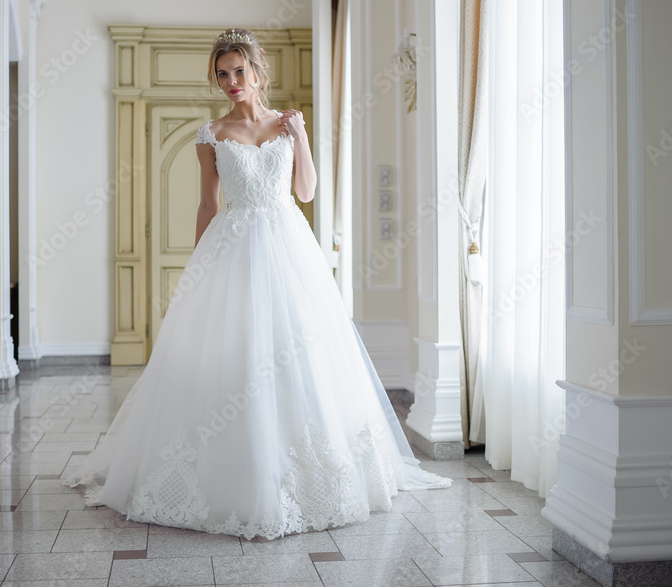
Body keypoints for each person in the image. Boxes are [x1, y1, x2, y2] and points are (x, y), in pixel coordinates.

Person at [63, 27, 451, 541]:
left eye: (238, 72)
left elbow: (307, 191)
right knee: (236, 351)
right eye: (222, 74)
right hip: (232, 248)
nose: (230, 82)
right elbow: (207, 204)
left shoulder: (287, 126)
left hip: (288, 247)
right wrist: (199, 265)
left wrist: (303, 137)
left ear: (257, 71)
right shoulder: (212, 134)